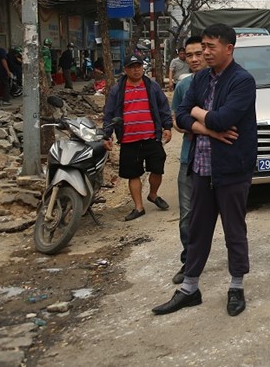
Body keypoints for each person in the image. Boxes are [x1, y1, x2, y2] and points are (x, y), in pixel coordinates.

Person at [153, 23, 257, 317]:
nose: (205, 53)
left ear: (229, 49)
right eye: (203, 47)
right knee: (198, 230)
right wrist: (207, 129)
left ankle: (236, 287)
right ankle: (189, 288)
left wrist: (200, 116)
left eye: (211, 47)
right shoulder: (199, 80)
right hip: (201, 167)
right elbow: (181, 117)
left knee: (234, 230)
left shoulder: (242, 81)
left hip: (232, 169)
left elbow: (224, 119)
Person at [103, 55, 173, 221]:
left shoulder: (152, 86)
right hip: (128, 140)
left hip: (151, 137)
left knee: (157, 168)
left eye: (138, 66)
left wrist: (167, 126)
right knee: (133, 174)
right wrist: (106, 135)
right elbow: (109, 113)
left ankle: (153, 194)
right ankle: (138, 207)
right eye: (132, 67)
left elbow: (163, 107)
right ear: (125, 70)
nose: (136, 69)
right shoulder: (117, 90)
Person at [169, 35, 205, 285]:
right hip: (189, 157)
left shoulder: (224, 83)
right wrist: (192, 127)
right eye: (189, 55)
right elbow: (176, 120)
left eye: (198, 54)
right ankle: (189, 262)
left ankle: (236, 267)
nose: (193, 59)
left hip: (219, 158)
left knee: (228, 214)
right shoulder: (184, 86)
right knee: (187, 215)